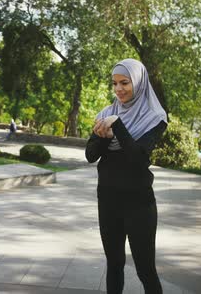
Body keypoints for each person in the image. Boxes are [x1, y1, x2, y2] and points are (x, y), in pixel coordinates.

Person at [85, 59, 167, 294]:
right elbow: (91, 155)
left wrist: (118, 126)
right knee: (114, 265)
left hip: (139, 202)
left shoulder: (154, 117)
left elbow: (139, 159)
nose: (118, 89)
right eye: (114, 83)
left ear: (139, 83)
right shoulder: (106, 113)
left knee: (145, 269)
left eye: (124, 82)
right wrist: (103, 136)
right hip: (108, 199)